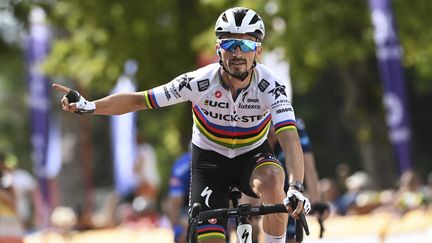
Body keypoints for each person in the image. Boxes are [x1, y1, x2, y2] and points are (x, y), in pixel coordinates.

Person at [52, 7, 310, 243]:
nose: (237, 52)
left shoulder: (271, 86)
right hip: (209, 163)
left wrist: (296, 187)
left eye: (245, 44)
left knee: (275, 179)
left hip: (252, 156)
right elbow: (139, 100)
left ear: (258, 51)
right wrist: (91, 106)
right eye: (229, 43)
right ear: (218, 49)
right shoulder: (198, 82)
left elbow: (289, 138)